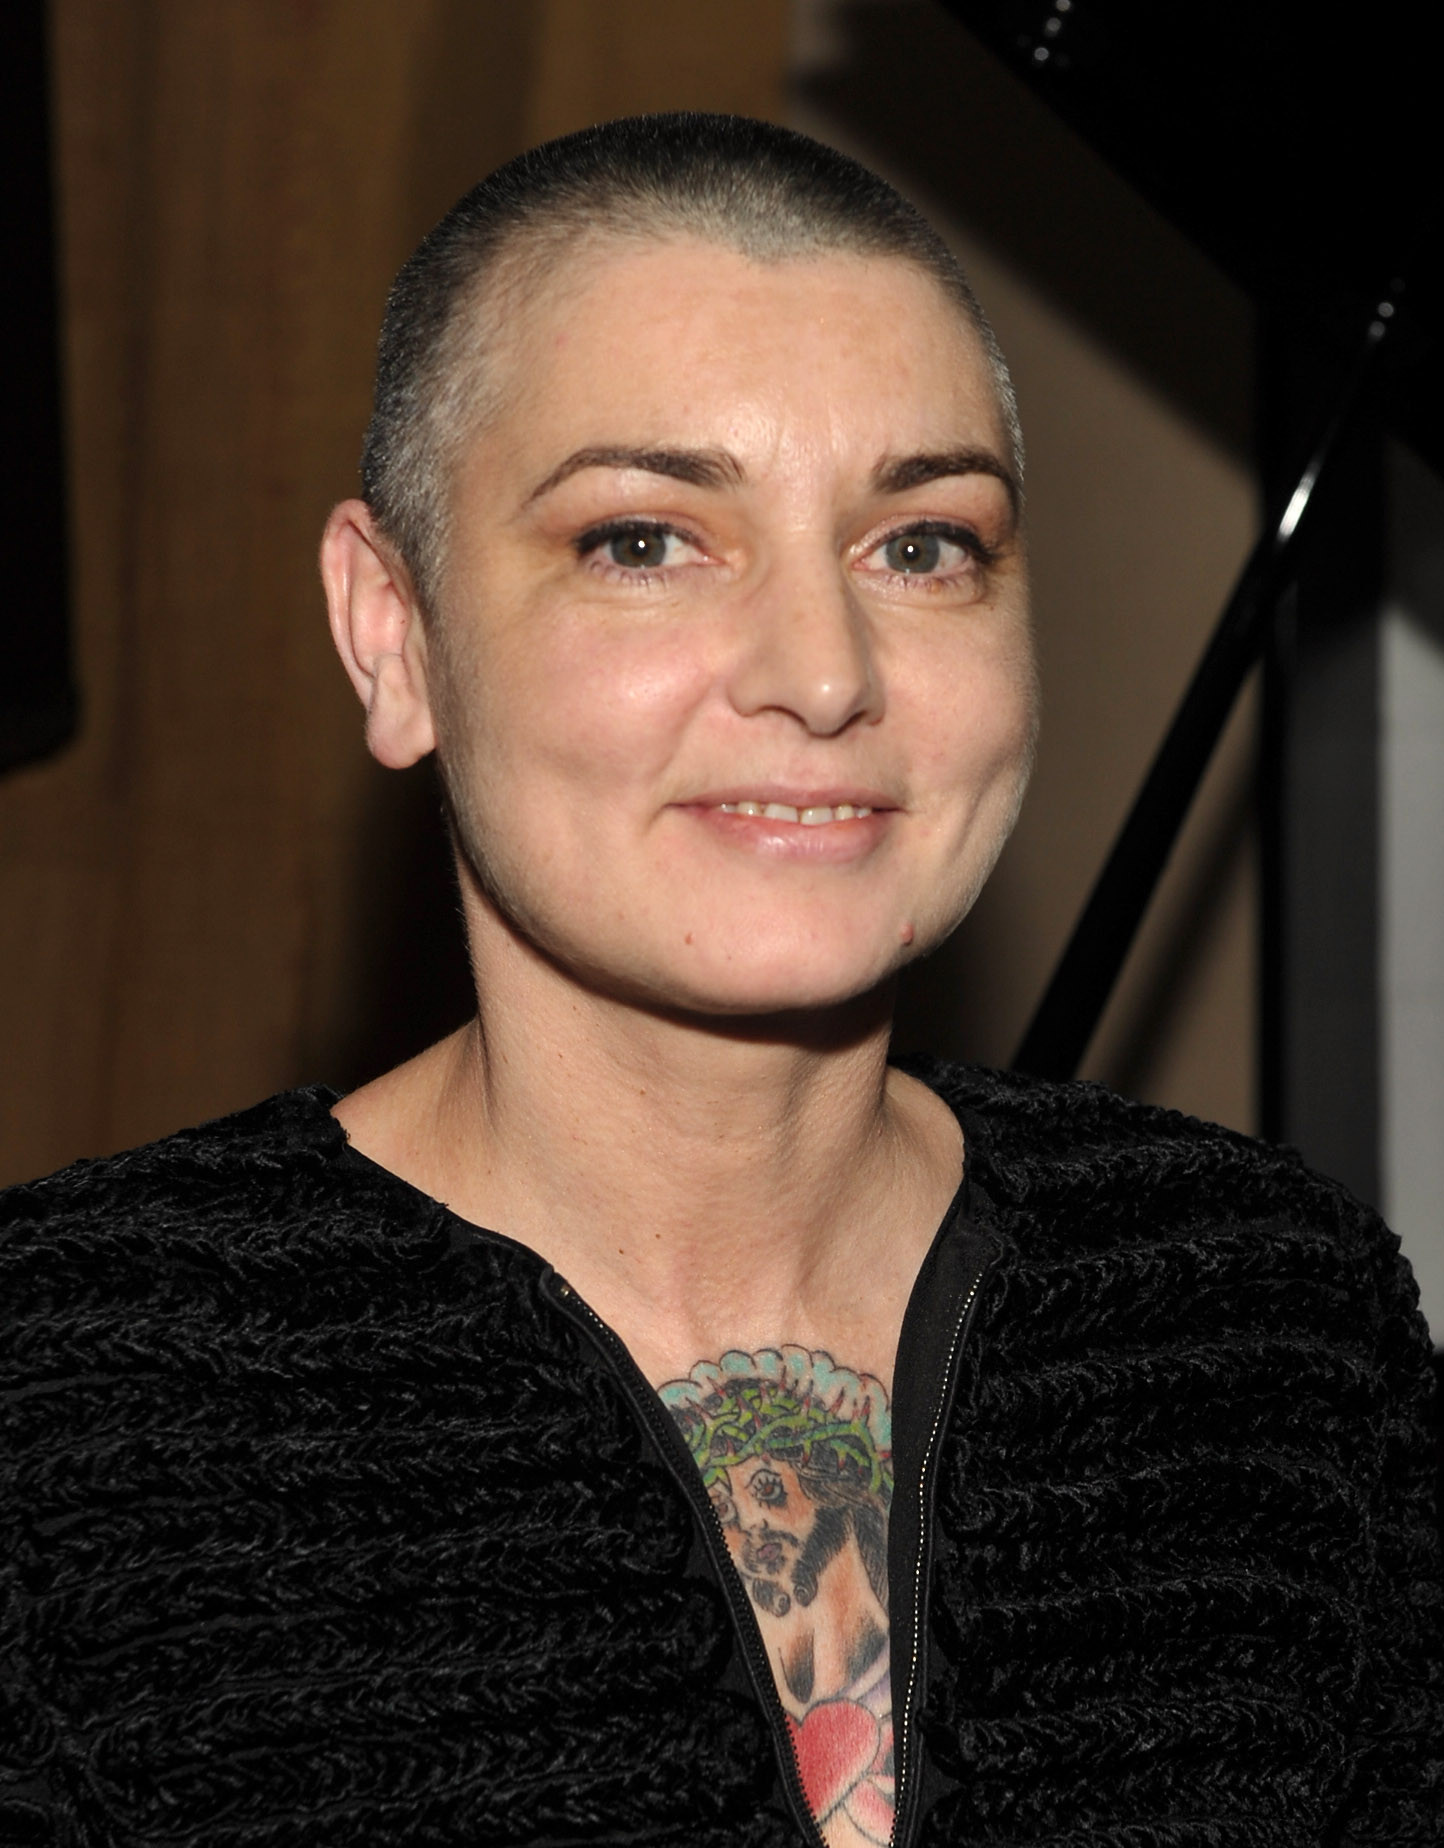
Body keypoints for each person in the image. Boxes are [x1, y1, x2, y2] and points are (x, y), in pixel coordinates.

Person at [1, 112, 1439, 1848]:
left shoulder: (1276, 1318)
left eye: (923, 544)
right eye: (645, 540)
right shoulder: (63, 1398)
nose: (823, 674)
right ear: (394, 630)